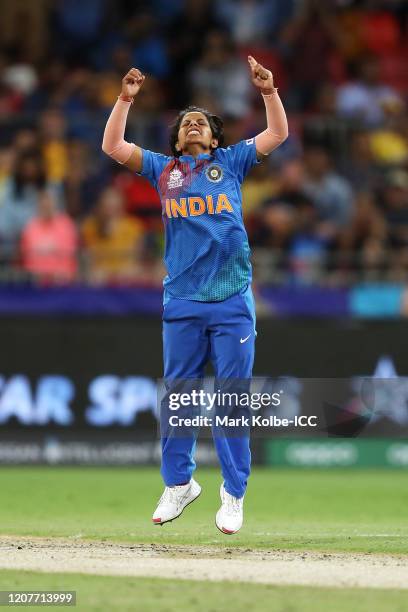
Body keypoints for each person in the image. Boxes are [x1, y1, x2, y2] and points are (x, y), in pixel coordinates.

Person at [102, 57, 288, 534]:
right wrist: (125, 99)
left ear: (215, 138)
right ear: (178, 138)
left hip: (231, 299)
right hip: (182, 299)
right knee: (179, 399)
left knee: (230, 399)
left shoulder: (232, 161)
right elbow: (113, 145)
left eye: (201, 122)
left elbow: (277, 135)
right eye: (186, 123)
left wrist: (268, 92)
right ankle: (180, 484)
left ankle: (233, 493)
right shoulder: (164, 171)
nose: (192, 125)